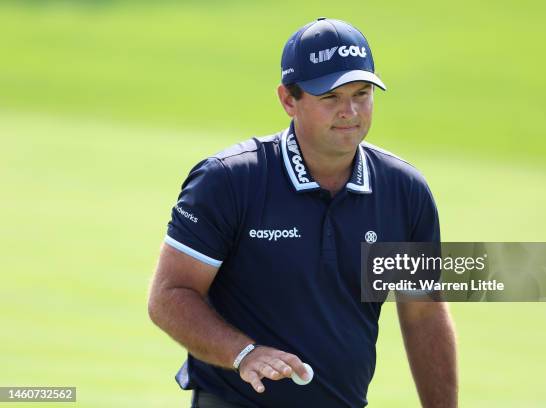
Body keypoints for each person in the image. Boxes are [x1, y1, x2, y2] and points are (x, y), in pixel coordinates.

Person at [148, 17, 457, 408]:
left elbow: (423, 316)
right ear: (288, 100)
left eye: (362, 93)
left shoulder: (403, 191)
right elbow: (169, 294)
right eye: (330, 97)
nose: (350, 111)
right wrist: (243, 353)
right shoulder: (230, 181)